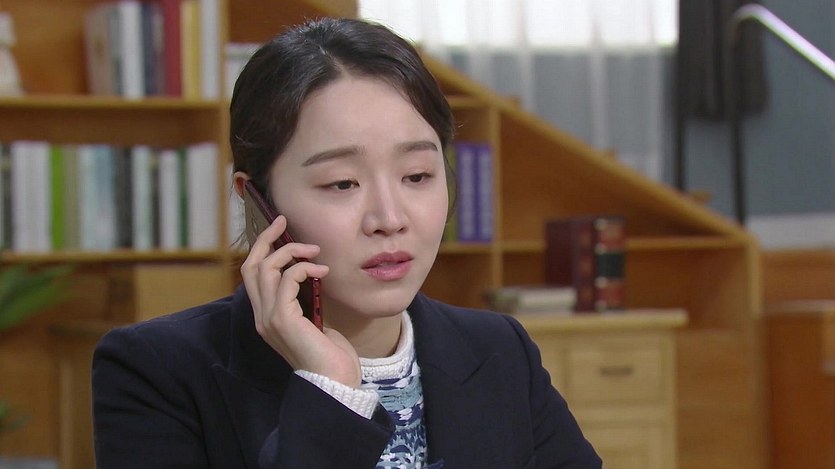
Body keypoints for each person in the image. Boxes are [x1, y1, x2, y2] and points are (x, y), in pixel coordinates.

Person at [92, 17, 602, 469]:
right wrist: (330, 392)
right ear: (258, 202)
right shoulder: (156, 372)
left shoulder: (500, 351)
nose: (389, 219)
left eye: (417, 175)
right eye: (342, 183)